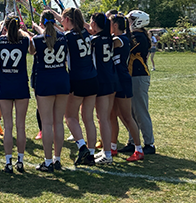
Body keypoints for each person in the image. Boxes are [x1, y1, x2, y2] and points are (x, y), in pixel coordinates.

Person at [30, 11, 70, 172]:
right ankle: (57, 159)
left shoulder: (37, 39)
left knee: (46, 123)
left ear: (41, 23)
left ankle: (47, 161)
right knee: (58, 122)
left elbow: (33, 50)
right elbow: (54, 36)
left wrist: (36, 31)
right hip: (61, 79)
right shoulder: (63, 37)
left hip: (45, 82)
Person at [59, 8, 98, 166]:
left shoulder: (68, 37)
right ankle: (92, 154)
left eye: (63, 19)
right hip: (92, 78)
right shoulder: (88, 33)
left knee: (70, 116)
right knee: (88, 119)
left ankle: (82, 147)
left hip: (77, 79)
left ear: (68, 19)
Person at [118, 10, 156, 155]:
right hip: (132, 75)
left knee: (140, 111)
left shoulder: (139, 37)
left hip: (139, 76)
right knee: (131, 111)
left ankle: (149, 143)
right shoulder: (136, 35)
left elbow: (128, 46)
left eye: (131, 19)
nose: (129, 22)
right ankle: (133, 141)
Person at [0, 17, 31, 173]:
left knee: (8, 126)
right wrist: (21, 30)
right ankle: (20, 161)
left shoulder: (0, 41)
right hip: (21, 84)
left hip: (5, 85)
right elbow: (31, 46)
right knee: (20, 126)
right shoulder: (23, 41)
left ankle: (8, 162)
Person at [109, 15, 144, 161]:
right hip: (115, 80)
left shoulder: (120, 40)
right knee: (112, 115)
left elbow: (107, 41)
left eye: (110, 24)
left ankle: (138, 149)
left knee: (127, 117)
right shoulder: (117, 37)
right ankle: (112, 147)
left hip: (122, 80)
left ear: (115, 26)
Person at [88, 12, 117, 165]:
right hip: (111, 79)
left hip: (102, 80)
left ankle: (107, 153)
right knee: (106, 118)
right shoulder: (109, 38)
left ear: (94, 24)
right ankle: (107, 149)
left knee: (102, 118)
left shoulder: (95, 40)